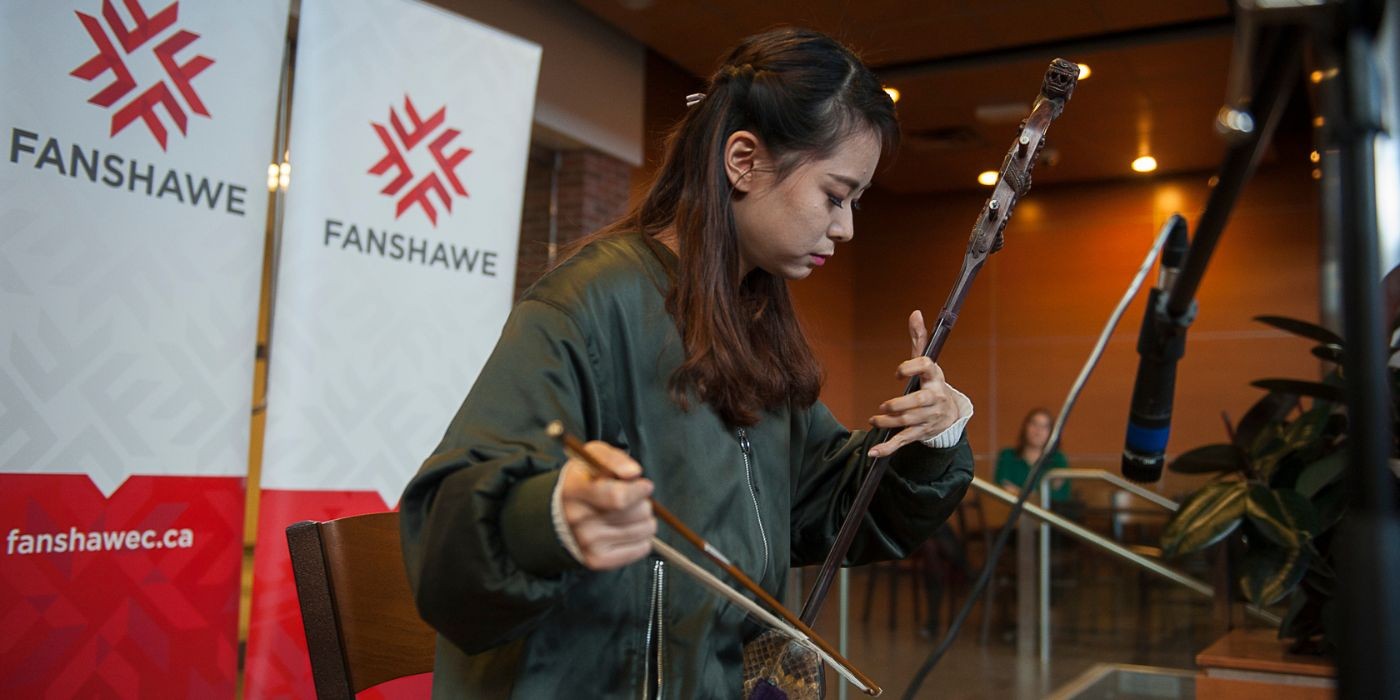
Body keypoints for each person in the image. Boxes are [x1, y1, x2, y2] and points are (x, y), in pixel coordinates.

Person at [399, 27, 975, 698]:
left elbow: (824, 507)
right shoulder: (592, 301)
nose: (845, 227)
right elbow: (446, 541)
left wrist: (932, 434)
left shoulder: (751, 322)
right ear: (744, 162)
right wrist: (551, 514)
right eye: (834, 195)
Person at [995, 408, 1071, 502]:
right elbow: (1001, 489)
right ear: (1025, 427)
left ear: (1051, 433)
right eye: (1034, 424)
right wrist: (1036, 496)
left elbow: (1060, 495)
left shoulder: (1058, 459)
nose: (1038, 431)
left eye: (1044, 427)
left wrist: (1018, 493)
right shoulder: (1007, 456)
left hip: (1045, 514)